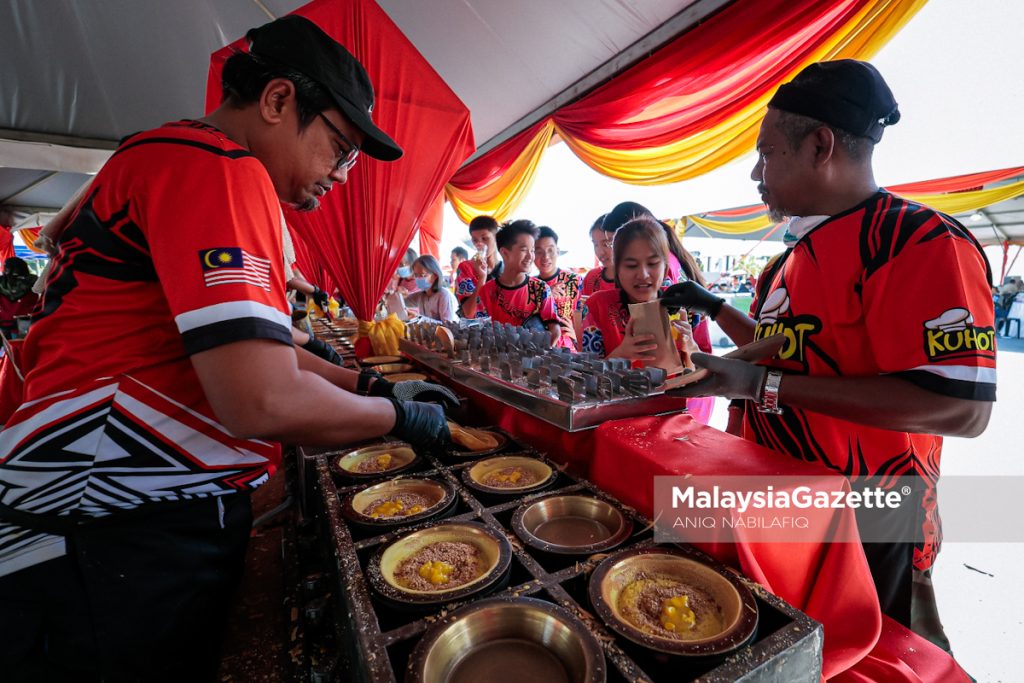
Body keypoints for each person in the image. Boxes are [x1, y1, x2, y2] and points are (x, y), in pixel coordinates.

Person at [0, 15, 457, 681]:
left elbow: (260, 346)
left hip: (80, 521)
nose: (342, 174)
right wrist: (402, 419)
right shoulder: (218, 169)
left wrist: (368, 387)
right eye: (340, 147)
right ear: (277, 101)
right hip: (109, 529)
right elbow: (260, 395)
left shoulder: (161, 153)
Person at [669, 59, 995, 648]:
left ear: (820, 145)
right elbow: (795, 351)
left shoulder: (917, 242)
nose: (755, 173)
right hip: (778, 495)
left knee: (869, 657)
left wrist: (760, 387)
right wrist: (715, 320)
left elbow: (961, 408)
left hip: (873, 510)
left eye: (767, 153)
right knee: (778, 647)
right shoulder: (790, 258)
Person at [579, 218, 713, 424]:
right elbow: (584, 379)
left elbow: (712, 376)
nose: (642, 274)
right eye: (631, 265)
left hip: (680, 419)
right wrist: (622, 354)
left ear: (666, 264)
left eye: (652, 263)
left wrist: (690, 348)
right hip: (617, 420)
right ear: (617, 267)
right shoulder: (598, 306)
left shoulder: (688, 305)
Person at [476, 220, 560, 347]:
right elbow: (479, 331)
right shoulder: (487, 291)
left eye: (532, 250)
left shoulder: (540, 289)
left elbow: (554, 330)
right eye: (524, 250)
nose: (530, 256)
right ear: (504, 253)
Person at [534, 226, 582, 349]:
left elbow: (587, 317)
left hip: (569, 350)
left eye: (550, 250)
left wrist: (578, 334)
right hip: (538, 347)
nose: (545, 257)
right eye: (538, 251)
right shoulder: (530, 285)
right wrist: (546, 295)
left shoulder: (575, 281)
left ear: (558, 251)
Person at [399, 254, 459, 323]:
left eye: (423, 275)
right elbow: (403, 301)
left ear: (435, 276)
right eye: (416, 275)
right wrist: (398, 294)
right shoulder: (422, 295)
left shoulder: (444, 295)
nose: (418, 279)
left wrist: (419, 318)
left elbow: (448, 325)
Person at [0, 258, 38, 339]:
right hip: (26, 322)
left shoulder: (1, 281)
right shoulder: (33, 281)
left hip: (4, 321)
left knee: (7, 349)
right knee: (23, 348)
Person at [581, 213, 615, 297]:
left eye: (606, 244)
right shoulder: (591, 277)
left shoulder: (633, 280)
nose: (600, 252)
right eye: (596, 245)